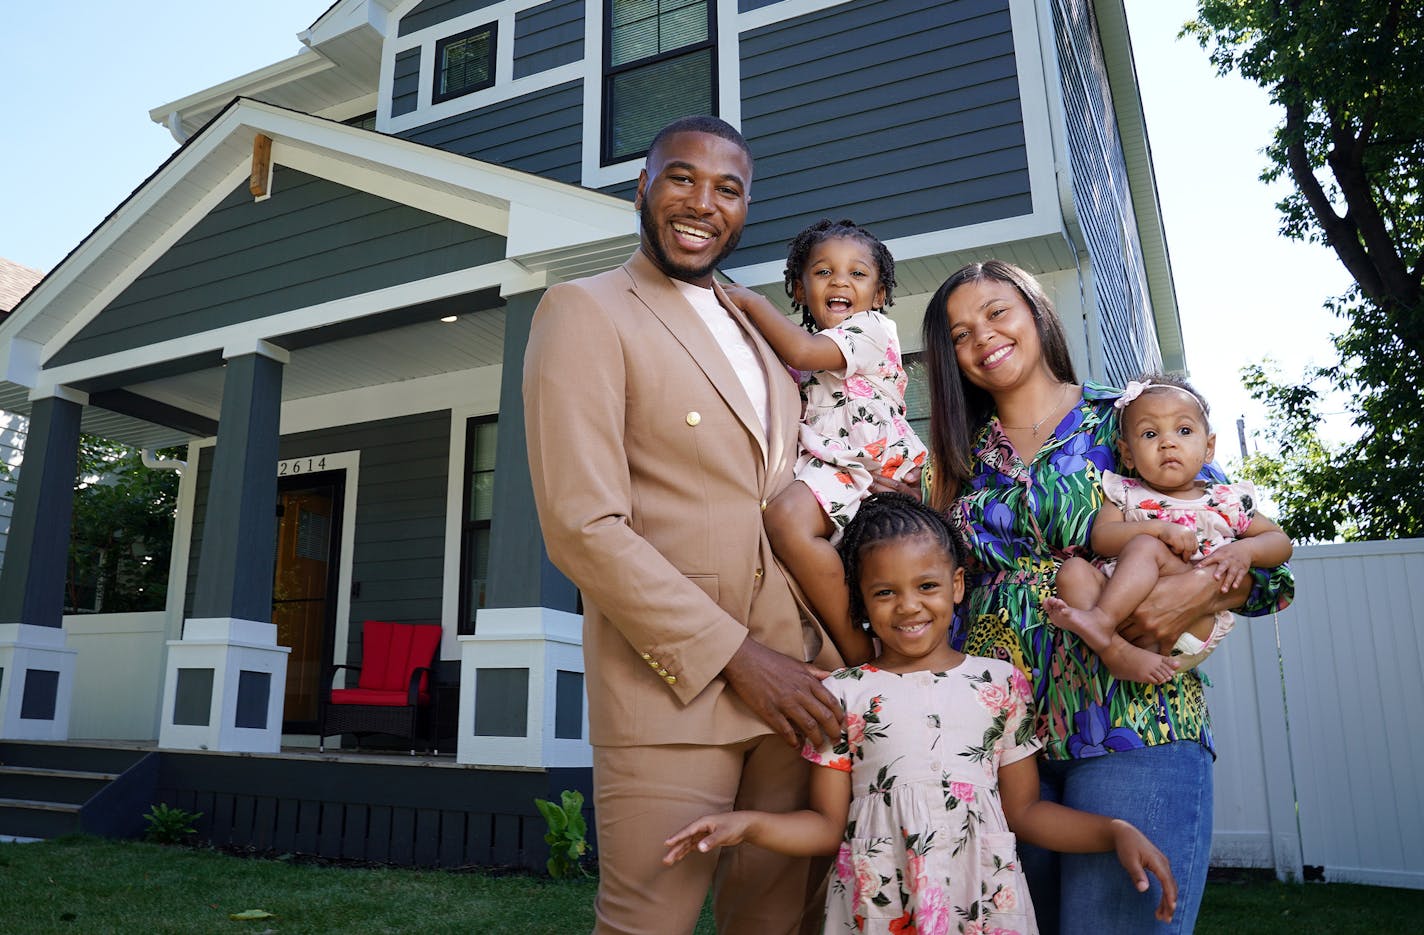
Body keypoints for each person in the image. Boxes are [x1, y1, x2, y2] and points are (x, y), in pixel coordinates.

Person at [522, 115, 844, 934]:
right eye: (681, 178)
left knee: (775, 926)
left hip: (799, 692)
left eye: (727, 189)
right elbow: (582, 524)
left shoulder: (763, 333)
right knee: (646, 925)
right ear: (642, 187)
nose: (703, 202)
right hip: (672, 689)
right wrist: (738, 657)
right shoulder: (584, 310)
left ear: (745, 208)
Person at [919, 260, 1294, 933]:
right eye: (959, 332)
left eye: (998, 313)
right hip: (1002, 742)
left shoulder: (1130, 418)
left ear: (1037, 313)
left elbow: (1264, 566)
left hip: (1129, 721)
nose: (982, 336)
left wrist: (1197, 587)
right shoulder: (954, 458)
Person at [662, 493, 1178, 934]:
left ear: (956, 586)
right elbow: (824, 826)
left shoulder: (998, 683)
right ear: (863, 601)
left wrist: (1113, 831)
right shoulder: (845, 695)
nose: (908, 606)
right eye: (885, 593)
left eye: (926, 586)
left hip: (982, 901)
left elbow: (1027, 814)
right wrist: (748, 825)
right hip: (881, 904)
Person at [724, 218, 927, 666]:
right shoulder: (804, 358)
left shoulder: (871, 330)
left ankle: (859, 655)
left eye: (857, 273)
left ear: (878, 296)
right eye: (822, 272)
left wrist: (753, 304)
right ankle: (854, 643)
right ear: (799, 289)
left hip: (868, 462)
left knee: (786, 521)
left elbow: (801, 351)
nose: (840, 281)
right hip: (839, 465)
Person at [1043, 374, 1294, 683]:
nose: (1168, 442)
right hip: (1123, 613)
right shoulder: (1126, 494)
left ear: (1209, 446)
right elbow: (1102, 540)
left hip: (1191, 621)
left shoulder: (1224, 500)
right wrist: (1158, 529)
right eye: (1149, 434)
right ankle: (1116, 652)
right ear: (1127, 454)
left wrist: (1246, 549)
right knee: (1072, 571)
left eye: (1184, 430)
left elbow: (1280, 542)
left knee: (1146, 546)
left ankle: (1102, 622)